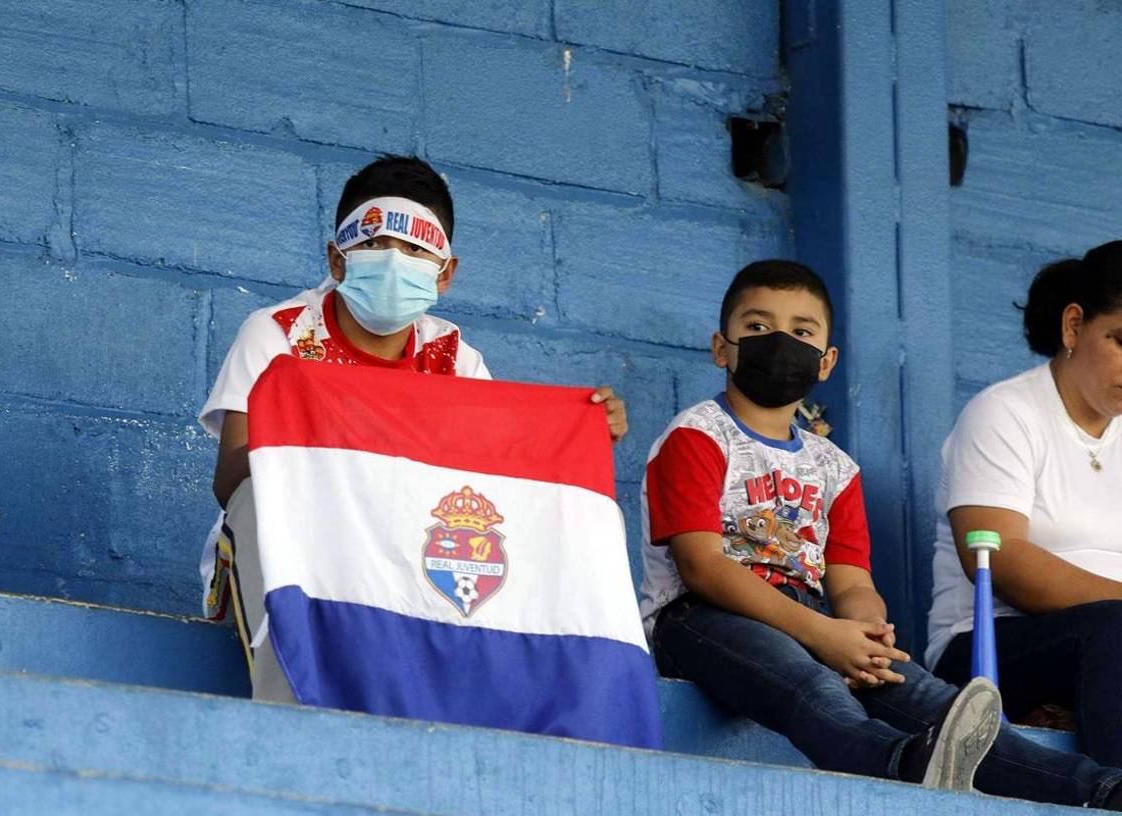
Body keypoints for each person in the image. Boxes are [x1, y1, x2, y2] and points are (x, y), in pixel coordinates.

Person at [639, 259, 1122, 807]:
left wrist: (864, 632)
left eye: (801, 332)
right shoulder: (699, 436)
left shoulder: (833, 465)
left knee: (929, 696)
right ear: (721, 348)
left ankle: (1100, 788)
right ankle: (900, 762)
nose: (779, 341)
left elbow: (850, 580)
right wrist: (823, 636)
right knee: (812, 683)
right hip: (701, 620)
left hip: (808, 618)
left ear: (826, 362)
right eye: (757, 327)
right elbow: (702, 567)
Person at [198, 155, 627, 701]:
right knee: (260, 493)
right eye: (374, 245)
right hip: (303, 545)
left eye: (418, 250)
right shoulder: (277, 334)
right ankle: (293, 708)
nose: (395, 261)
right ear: (337, 258)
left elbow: (497, 486)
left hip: (403, 556)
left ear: (445, 274)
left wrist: (584, 428)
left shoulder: (457, 360)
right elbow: (230, 476)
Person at [928, 240, 1122, 767]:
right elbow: (1000, 559)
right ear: (1073, 326)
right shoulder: (1005, 413)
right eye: (1121, 340)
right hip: (987, 650)